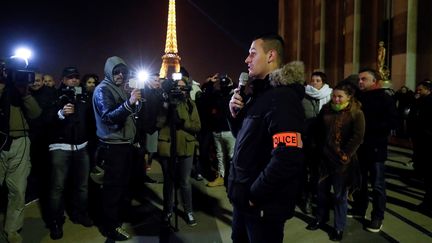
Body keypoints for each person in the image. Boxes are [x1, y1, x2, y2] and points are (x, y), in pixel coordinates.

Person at [227, 33, 305, 243]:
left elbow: (288, 157)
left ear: (271, 55)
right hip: (244, 202)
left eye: (253, 53)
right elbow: (246, 141)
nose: (246, 60)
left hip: (262, 207)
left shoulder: (283, 98)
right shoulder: (259, 95)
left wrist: (254, 195)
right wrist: (235, 116)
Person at [306, 82, 365, 241]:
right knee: (321, 192)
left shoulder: (356, 113)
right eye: (334, 96)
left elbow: (358, 136)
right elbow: (318, 130)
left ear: (349, 97)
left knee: (340, 196)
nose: (336, 99)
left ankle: (339, 227)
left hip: (343, 162)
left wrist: (346, 154)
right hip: (324, 159)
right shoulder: (326, 109)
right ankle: (320, 218)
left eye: (340, 96)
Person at [93, 56, 141, 241]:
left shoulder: (119, 89)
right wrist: (129, 103)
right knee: (113, 190)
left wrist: (135, 103)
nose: (121, 75)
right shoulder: (103, 89)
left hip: (123, 145)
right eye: (116, 72)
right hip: (113, 147)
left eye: (124, 72)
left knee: (122, 187)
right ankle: (110, 228)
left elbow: (129, 115)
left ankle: (117, 220)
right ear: (108, 72)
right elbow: (109, 117)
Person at [45, 67, 94, 240]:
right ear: (63, 79)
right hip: (60, 147)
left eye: (76, 77)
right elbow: (45, 118)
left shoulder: (83, 96)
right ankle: (56, 222)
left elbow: (91, 119)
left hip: (82, 146)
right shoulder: (54, 95)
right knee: (57, 187)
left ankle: (80, 214)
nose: (74, 80)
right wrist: (60, 114)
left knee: (82, 186)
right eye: (70, 77)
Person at [349, 68, 397, 233]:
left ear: (374, 81)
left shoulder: (385, 98)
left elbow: (391, 122)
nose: (360, 82)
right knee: (360, 182)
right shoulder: (357, 97)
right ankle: (359, 208)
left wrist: (367, 129)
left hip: (376, 148)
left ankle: (377, 216)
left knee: (377, 184)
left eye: (364, 79)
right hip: (359, 148)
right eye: (359, 79)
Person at [0, 60, 42, 243]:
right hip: (1, 142)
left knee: (18, 190)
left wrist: (24, 94)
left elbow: (35, 114)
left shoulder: (22, 90)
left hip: (21, 143)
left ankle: (12, 230)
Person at [157, 76, 201, 226]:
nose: (180, 90)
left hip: (186, 147)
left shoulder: (191, 104)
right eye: (177, 87)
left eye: (183, 87)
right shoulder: (164, 103)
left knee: (185, 181)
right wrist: (165, 106)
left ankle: (188, 211)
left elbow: (197, 126)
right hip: (168, 147)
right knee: (168, 182)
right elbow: (158, 123)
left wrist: (184, 122)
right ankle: (167, 210)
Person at [300, 71, 332, 214]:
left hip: (325, 141)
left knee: (321, 172)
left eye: (318, 80)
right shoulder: (304, 96)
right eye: (313, 80)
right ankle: (307, 198)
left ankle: (319, 198)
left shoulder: (331, 96)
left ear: (323, 82)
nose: (314, 82)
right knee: (308, 172)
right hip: (308, 140)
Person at [200, 73, 236, 187]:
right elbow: (205, 97)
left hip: (230, 132)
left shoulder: (235, 95)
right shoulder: (218, 95)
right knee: (221, 156)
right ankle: (222, 177)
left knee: (231, 157)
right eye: (222, 85)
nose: (223, 87)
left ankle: (232, 179)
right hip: (218, 130)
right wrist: (210, 83)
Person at [408, 80, 432, 214]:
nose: (418, 92)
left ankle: (428, 203)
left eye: (420, 90)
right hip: (421, 141)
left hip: (427, 142)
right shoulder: (419, 101)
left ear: (428, 90)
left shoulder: (428, 102)